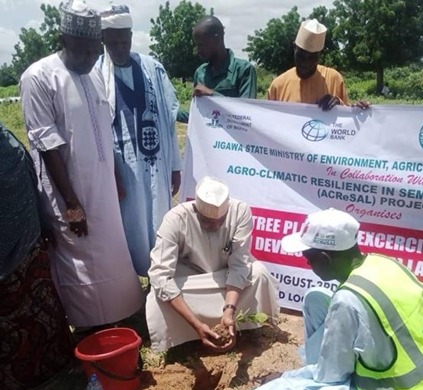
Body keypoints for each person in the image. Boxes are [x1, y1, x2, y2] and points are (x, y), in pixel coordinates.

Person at [248, 208, 423, 390]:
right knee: (315, 298)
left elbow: (331, 377)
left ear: (325, 258)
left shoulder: (348, 300)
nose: (307, 263)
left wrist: (286, 378)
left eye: (308, 258)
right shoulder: (386, 263)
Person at [19, 0, 143, 330]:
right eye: (83, 52)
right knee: (81, 259)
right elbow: (46, 145)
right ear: (64, 39)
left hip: (103, 187)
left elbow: (104, 132)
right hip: (70, 190)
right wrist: (71, 203)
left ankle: (125, 316)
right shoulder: (39, 78)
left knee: (112, 252)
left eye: (94, 51)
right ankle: (91, 328)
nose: (90, 59)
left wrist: (115, 175)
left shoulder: (94, 76)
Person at [146, 176, 280, 352]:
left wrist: (229, 310)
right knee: (159, 297)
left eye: (220, 221)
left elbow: (239, 264)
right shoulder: (175, 219)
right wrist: (196, 324)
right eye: (207, 221)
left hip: (225, 278)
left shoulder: (240, 211)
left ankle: (243, 325)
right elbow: (161, 275)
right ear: (196, 209)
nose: (214, 226)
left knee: (259, 274)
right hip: (192, 280)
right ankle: (192, 333)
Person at [98, 4, 182, 276]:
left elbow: (169, 121)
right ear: (104, 42)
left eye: (125, 41)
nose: (120, 48)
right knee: (128, 226)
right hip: (122, 173)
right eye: (113, 43)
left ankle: (160, 278)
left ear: (132, 36)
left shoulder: (152, 68)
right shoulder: (96, 74)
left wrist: (175, 166)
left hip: (156, 166)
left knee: (160, 221)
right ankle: (130, 285)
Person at [0, 122, 73, 390]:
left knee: (39, 302)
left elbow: (27, 171)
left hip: (28, 238)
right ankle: (9, 386)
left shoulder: (4, 137)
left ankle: (56, 364)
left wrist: (42, 221)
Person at [268, 19, 368, 111]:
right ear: (294, 48)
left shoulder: (334, 79)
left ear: (319, 55)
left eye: (312, 57)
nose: (305, 62)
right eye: (301, 55)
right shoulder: (278, 86)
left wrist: (343, 105)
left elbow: (346, 120)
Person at [177, 16, 257, 123]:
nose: (198, 51)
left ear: (217, 39)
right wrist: (171, 113)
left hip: (233, 139)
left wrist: (211, 94)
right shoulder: (200, 73)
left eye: (201, 45)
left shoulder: (244, 70)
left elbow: (247, 114)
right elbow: (198, 115)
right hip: (207, 139)